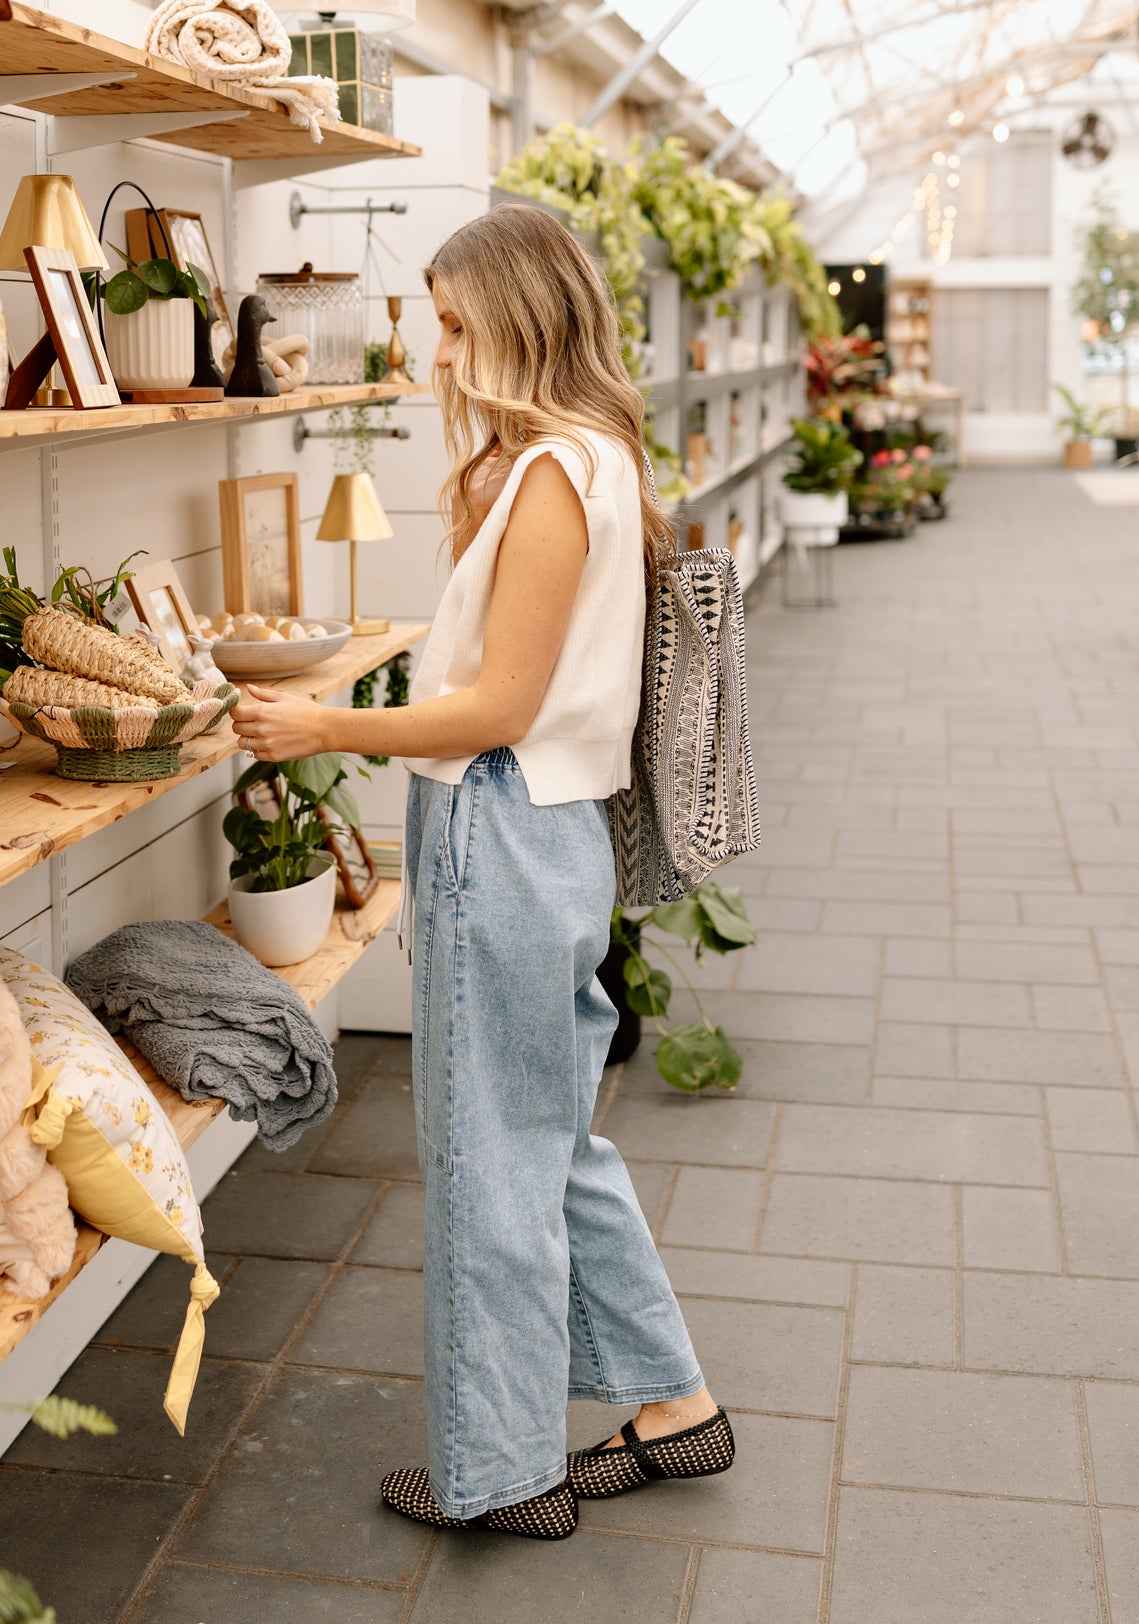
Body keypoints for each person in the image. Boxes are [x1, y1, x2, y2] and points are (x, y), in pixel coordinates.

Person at [230, 205, 733, 1541]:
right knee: (547, 1142)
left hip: (500, 824)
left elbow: (499, 707)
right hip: (554, 835)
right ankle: (673, 1401)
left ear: (519, 317)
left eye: (456, 326)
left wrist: (321, 726)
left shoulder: (551, 477)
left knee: (485, 1165)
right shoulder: (590, 458)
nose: (441, 354)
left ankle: (503, 1474)